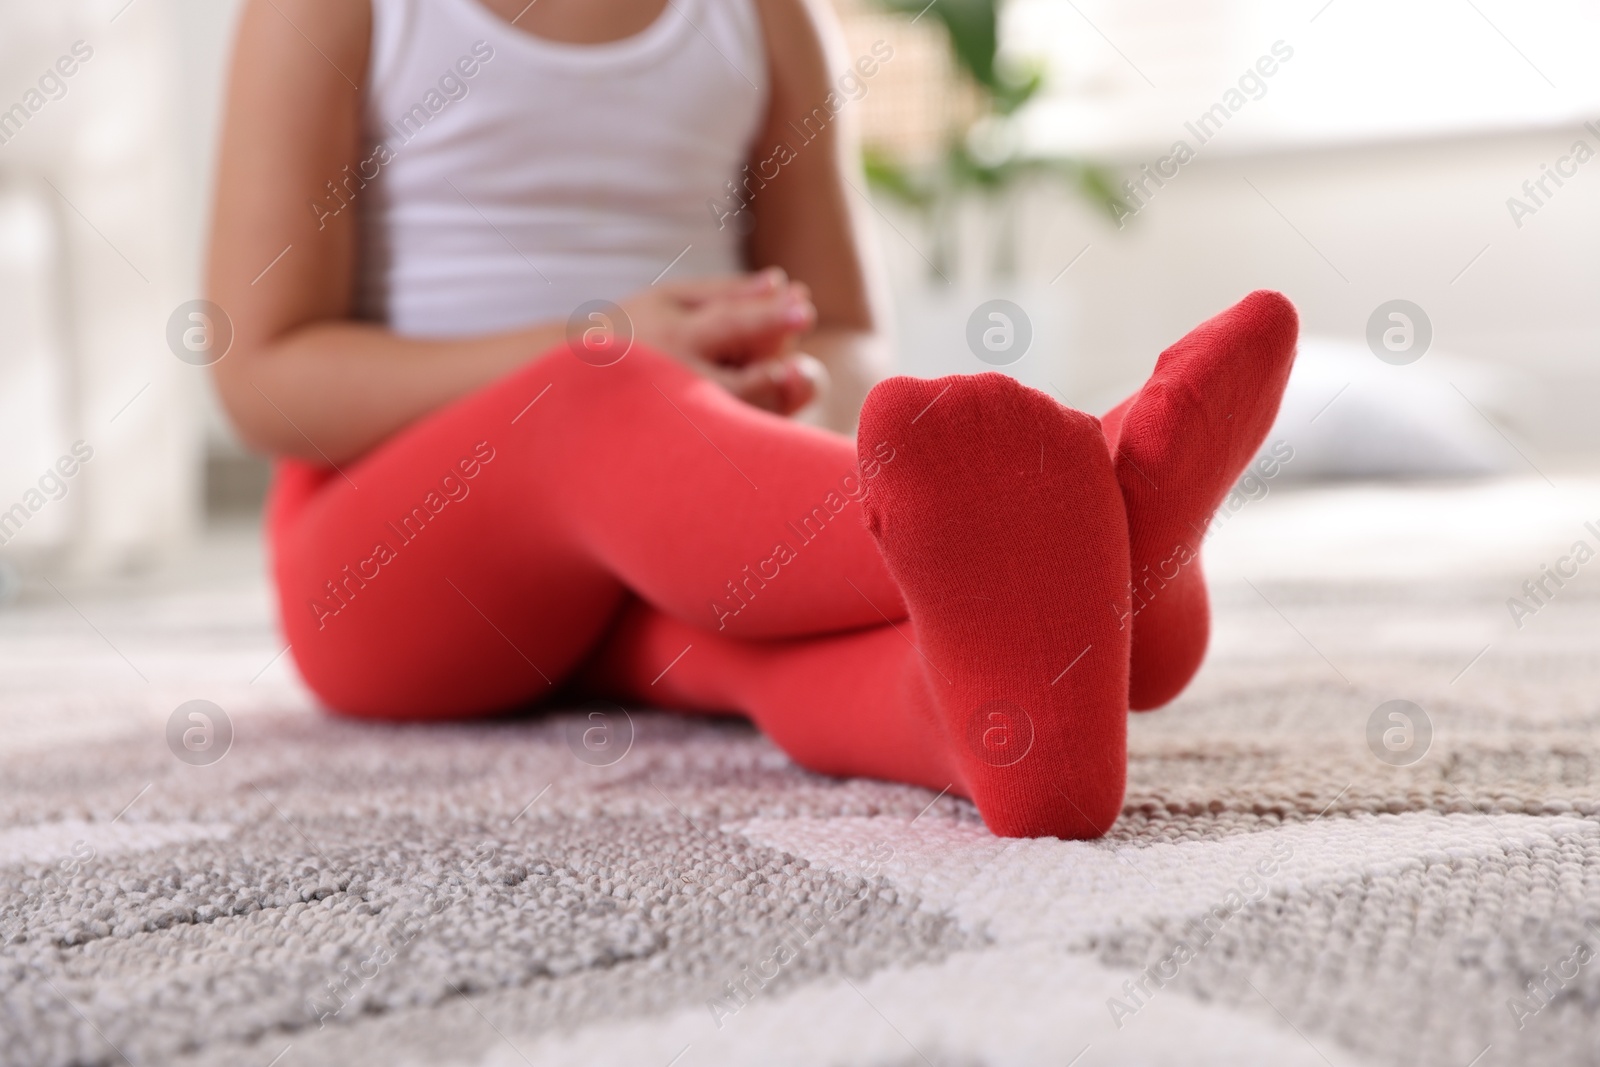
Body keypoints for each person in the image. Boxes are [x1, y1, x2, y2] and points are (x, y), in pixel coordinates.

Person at [206, 0, 1298, 839]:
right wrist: (595, 346)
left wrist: (769, 384)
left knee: (763, 652)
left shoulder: (762, 14)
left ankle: (1010, 735)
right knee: (596, 386)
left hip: (674, 541)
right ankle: (1100, 524)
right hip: (391, 568)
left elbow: (847, 334)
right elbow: (261, 373)